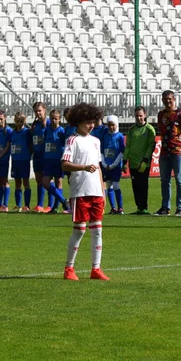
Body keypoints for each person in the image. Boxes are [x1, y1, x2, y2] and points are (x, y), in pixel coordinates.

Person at [61, 102, 110, 281]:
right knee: (79, 230)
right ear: (79, 121)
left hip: (96, 192)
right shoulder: (72, 140)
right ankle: (69, 268)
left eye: (93, 122)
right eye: (88, 122)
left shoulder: (96, 141)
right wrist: (83, 167)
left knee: (97, 230)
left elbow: (97, 167)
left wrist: (103, 192)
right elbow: (65, 164)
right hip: (79, 192)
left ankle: (95, 269)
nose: (92, 125)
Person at [156, 90, 181, 217]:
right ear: (162, 100)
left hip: (178, 151)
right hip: (164, 151)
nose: (167, 101)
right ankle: (165, 207)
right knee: (164, 180)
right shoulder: (161, 115)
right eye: (165, 99)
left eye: (169, 98)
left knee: (179, 179)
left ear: (174, 99)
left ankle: (180, 208)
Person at [126, 106, 156, 215]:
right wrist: (125, 161)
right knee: (135, 186)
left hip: (144, 163)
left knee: (143, 185)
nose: (139, 118)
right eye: (137, 116)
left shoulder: (149, 129)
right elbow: (128, 146)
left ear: (145, 115)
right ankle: (139, 207)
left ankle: (144, 208)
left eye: (141, 115)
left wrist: (145, 160)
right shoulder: (131, 130)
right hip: (132, 163)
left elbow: (151, 146)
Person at [41, 109, 69, 214]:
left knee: (58, 182)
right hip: (48, 160)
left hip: (58, 160)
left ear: (59, 119)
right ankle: (63, 200)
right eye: (52, 118)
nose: (53, 121)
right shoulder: (46, 130)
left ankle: (55, 207)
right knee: (45, 182)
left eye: (56, 119)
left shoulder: (62, 131)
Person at [100, 116, 126, 215]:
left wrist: (114, 164)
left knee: (116, 185)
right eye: (109, 125)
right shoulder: (105, 136)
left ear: (117, 125)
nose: (111, 127)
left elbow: (121, 152)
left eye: (113, 125)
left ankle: (120, 208)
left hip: (115, 166)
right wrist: (104, 163)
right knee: (109, 186)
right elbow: (102, 151)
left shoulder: (119, 136)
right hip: (107, 165)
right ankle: (113, 208)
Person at [9, 111, 33, 212]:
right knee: (17, 182)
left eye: (21, 121)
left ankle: (26, 205)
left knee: (26, 182)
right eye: (18, 121)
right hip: (15, 160)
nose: (19, 123)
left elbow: (31, 146)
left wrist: (28, 155)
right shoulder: (12, 133)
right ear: (14, 121)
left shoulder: (27, 132)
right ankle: (18, 205)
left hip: (24, 160)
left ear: (25, 121)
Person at [30, 102, 50, 212]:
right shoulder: (35, 125)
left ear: (44, 110)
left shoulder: (50, 123)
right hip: (37, 155)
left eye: (39, 110)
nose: (38, 113)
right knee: (39, 180)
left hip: (47, 155)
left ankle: (51, 205)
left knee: (47, 179)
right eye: (36, 111)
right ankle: (40, 205)